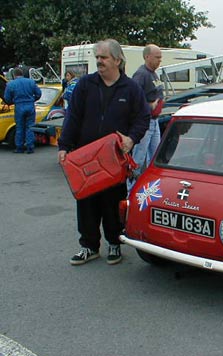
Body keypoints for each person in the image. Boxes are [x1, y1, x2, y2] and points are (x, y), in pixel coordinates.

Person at [57, 39, 150, 266]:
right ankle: (88, 246)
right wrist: (64, 146)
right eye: (97, 57)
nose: (99, 61)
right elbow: (73, 118)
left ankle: (114, 243)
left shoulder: (131, 89)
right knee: (86, 202)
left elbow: (143, 118)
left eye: (104, 57)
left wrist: (131, 138)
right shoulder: (85, 85)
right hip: (85, 157)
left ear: (117, 60)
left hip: (114, 159)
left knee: (112, 202)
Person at [127, 44, 164, 192]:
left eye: (160, 57)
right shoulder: (141, 74)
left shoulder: (154, 74)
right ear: (147, 57)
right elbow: (132, 98)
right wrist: (149, 106)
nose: (160, 60)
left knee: (155, 158)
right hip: (145, 123)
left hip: (154, 122)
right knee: (138, 159)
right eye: (157, 57)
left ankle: (149, 190)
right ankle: (130, 193)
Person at [4, 67, 42, 153]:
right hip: (30, 106)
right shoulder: (31, 82)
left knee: (19, 127)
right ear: (22, 74)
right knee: (30, 126)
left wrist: (12, 102)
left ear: (14, 75)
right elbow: (38, 94)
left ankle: (19, 148)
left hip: (19, 106)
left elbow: (7, 98)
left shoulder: (11, 84)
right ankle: (30, 147)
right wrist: (32, 99)